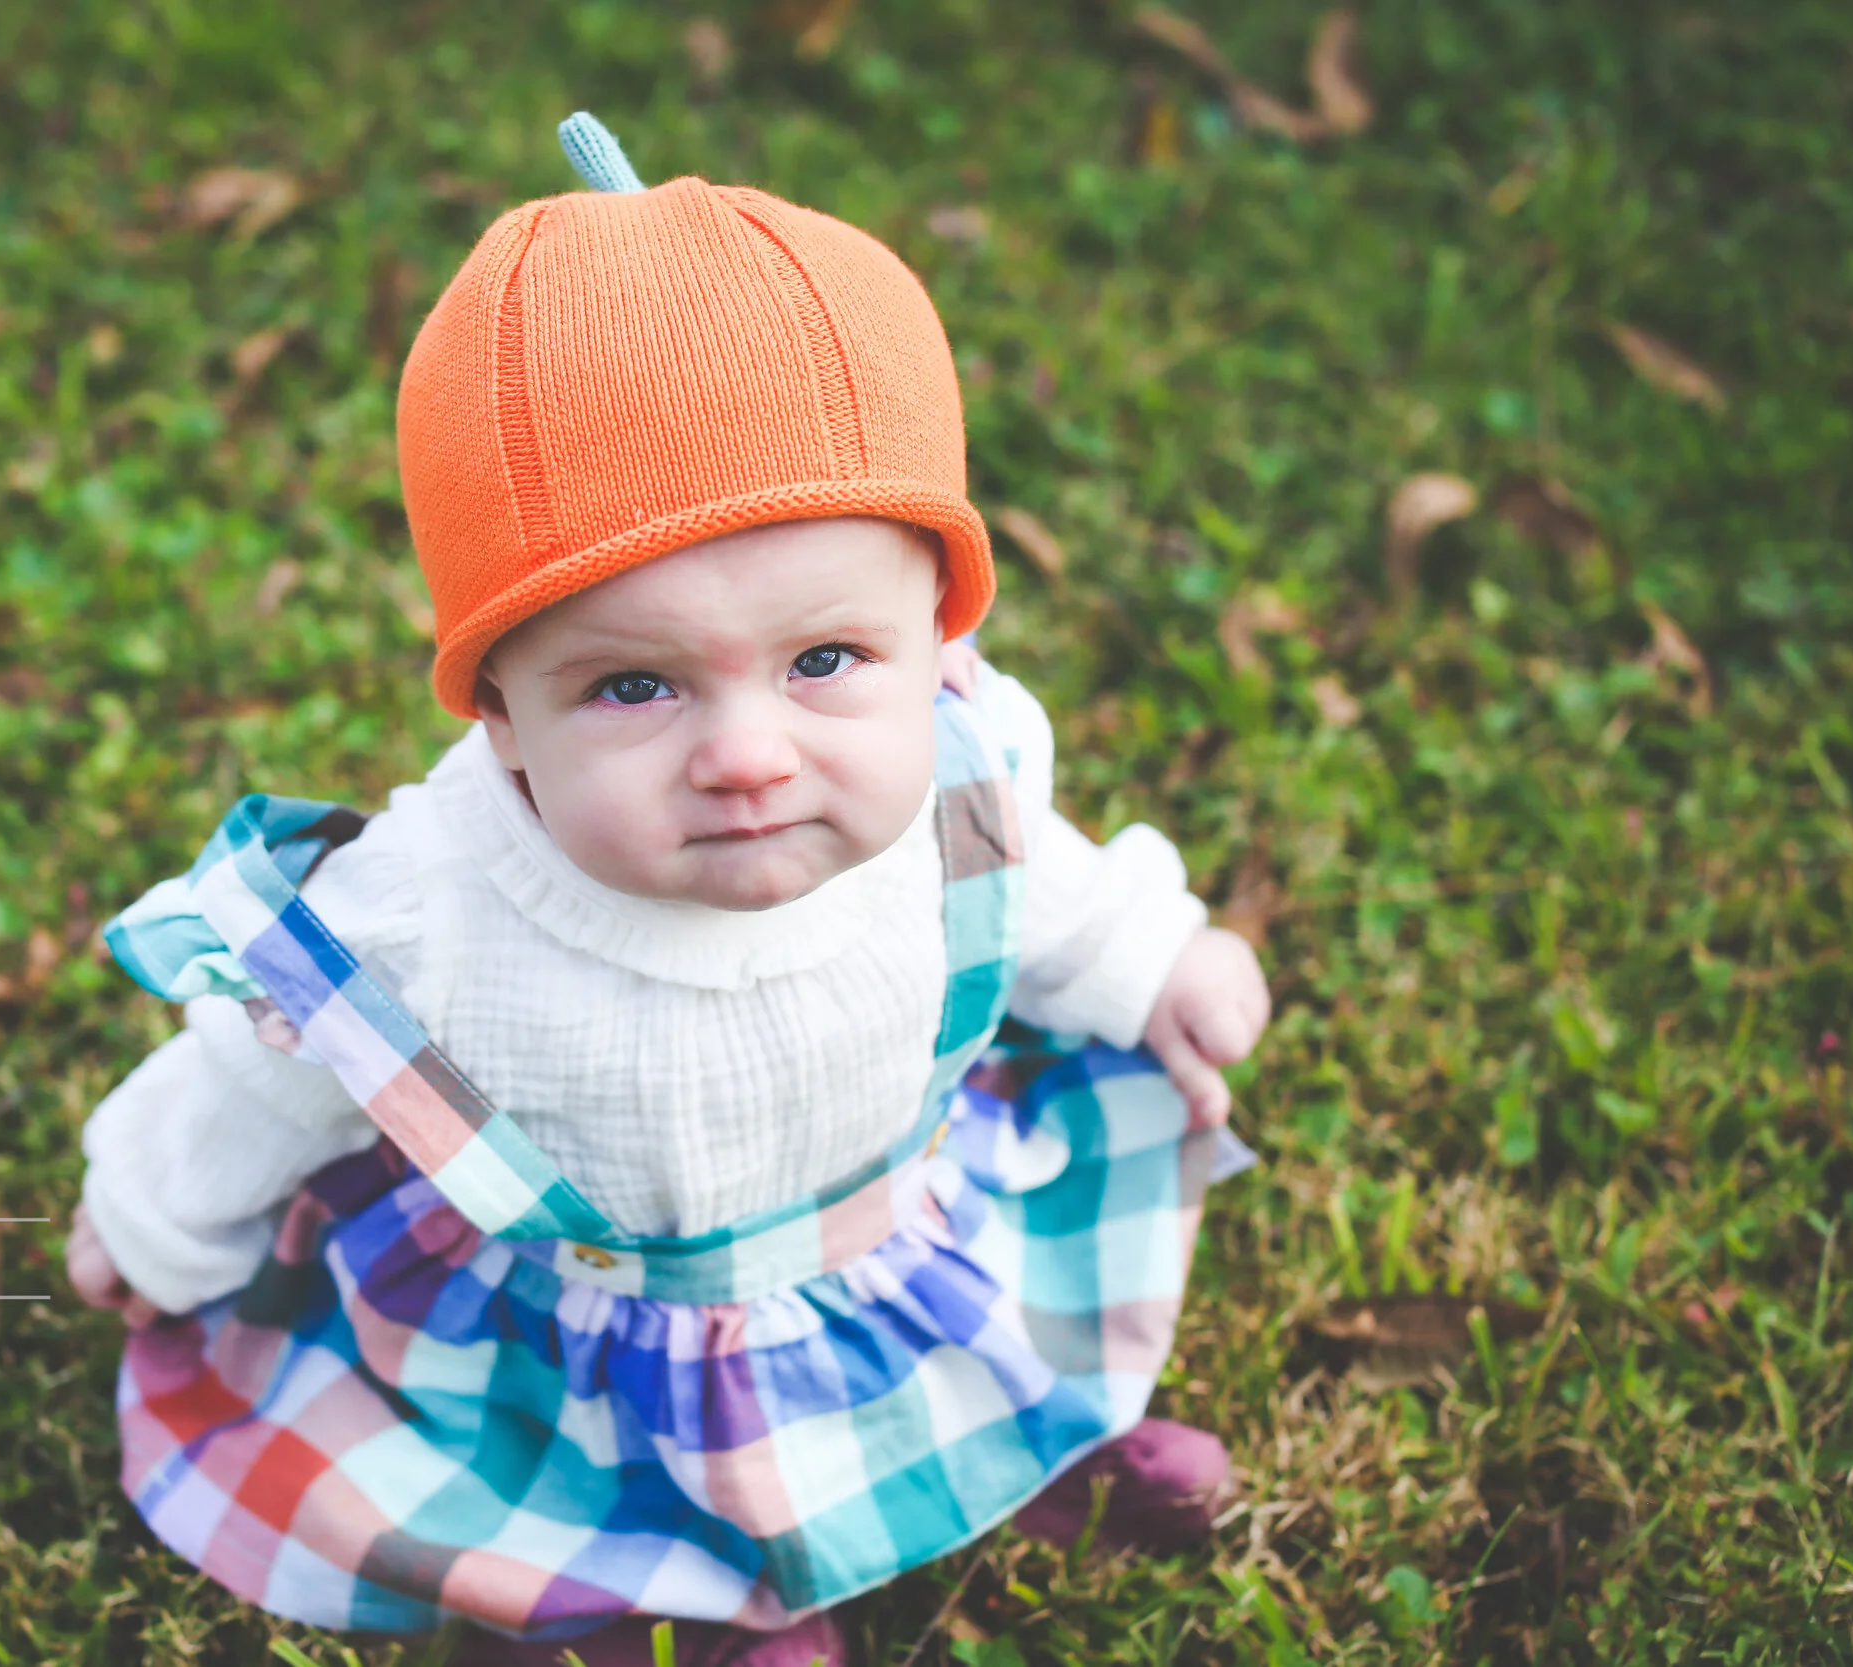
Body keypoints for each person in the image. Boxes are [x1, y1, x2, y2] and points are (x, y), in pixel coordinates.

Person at [66, 117, 1270, 1666]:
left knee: (969, 1358)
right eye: (635, 685)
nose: (749, 755)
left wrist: (1154, 958)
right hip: (591, 1347)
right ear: (495, 711)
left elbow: (1043, 895)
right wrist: (153, 1216)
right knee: (609, 1487)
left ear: (940, 635)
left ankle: (1026, 1459)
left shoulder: (960, 770)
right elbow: (260, 1072)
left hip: (890, 1243)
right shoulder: (426, 908)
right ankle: (712, 1607)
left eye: (825, 660)